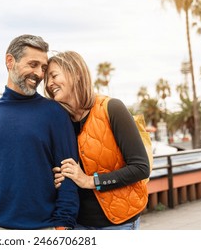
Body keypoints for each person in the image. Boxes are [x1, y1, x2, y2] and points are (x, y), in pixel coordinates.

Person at [0, 35, 79, 230]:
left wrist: (63, 225)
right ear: (10, 61)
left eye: (43, 68)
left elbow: (69, 176)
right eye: (33, 64)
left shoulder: (55, 113)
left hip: (41, 229)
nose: (39, 73)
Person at [44, 51, 150, 230]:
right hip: (78, 224)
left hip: (117, 224)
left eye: (53, 75)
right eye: (46, 79)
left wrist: (89, 181)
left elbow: (141, 168)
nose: (48, 84)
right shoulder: (61, 122)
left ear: (76, 73)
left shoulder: (111, 108)